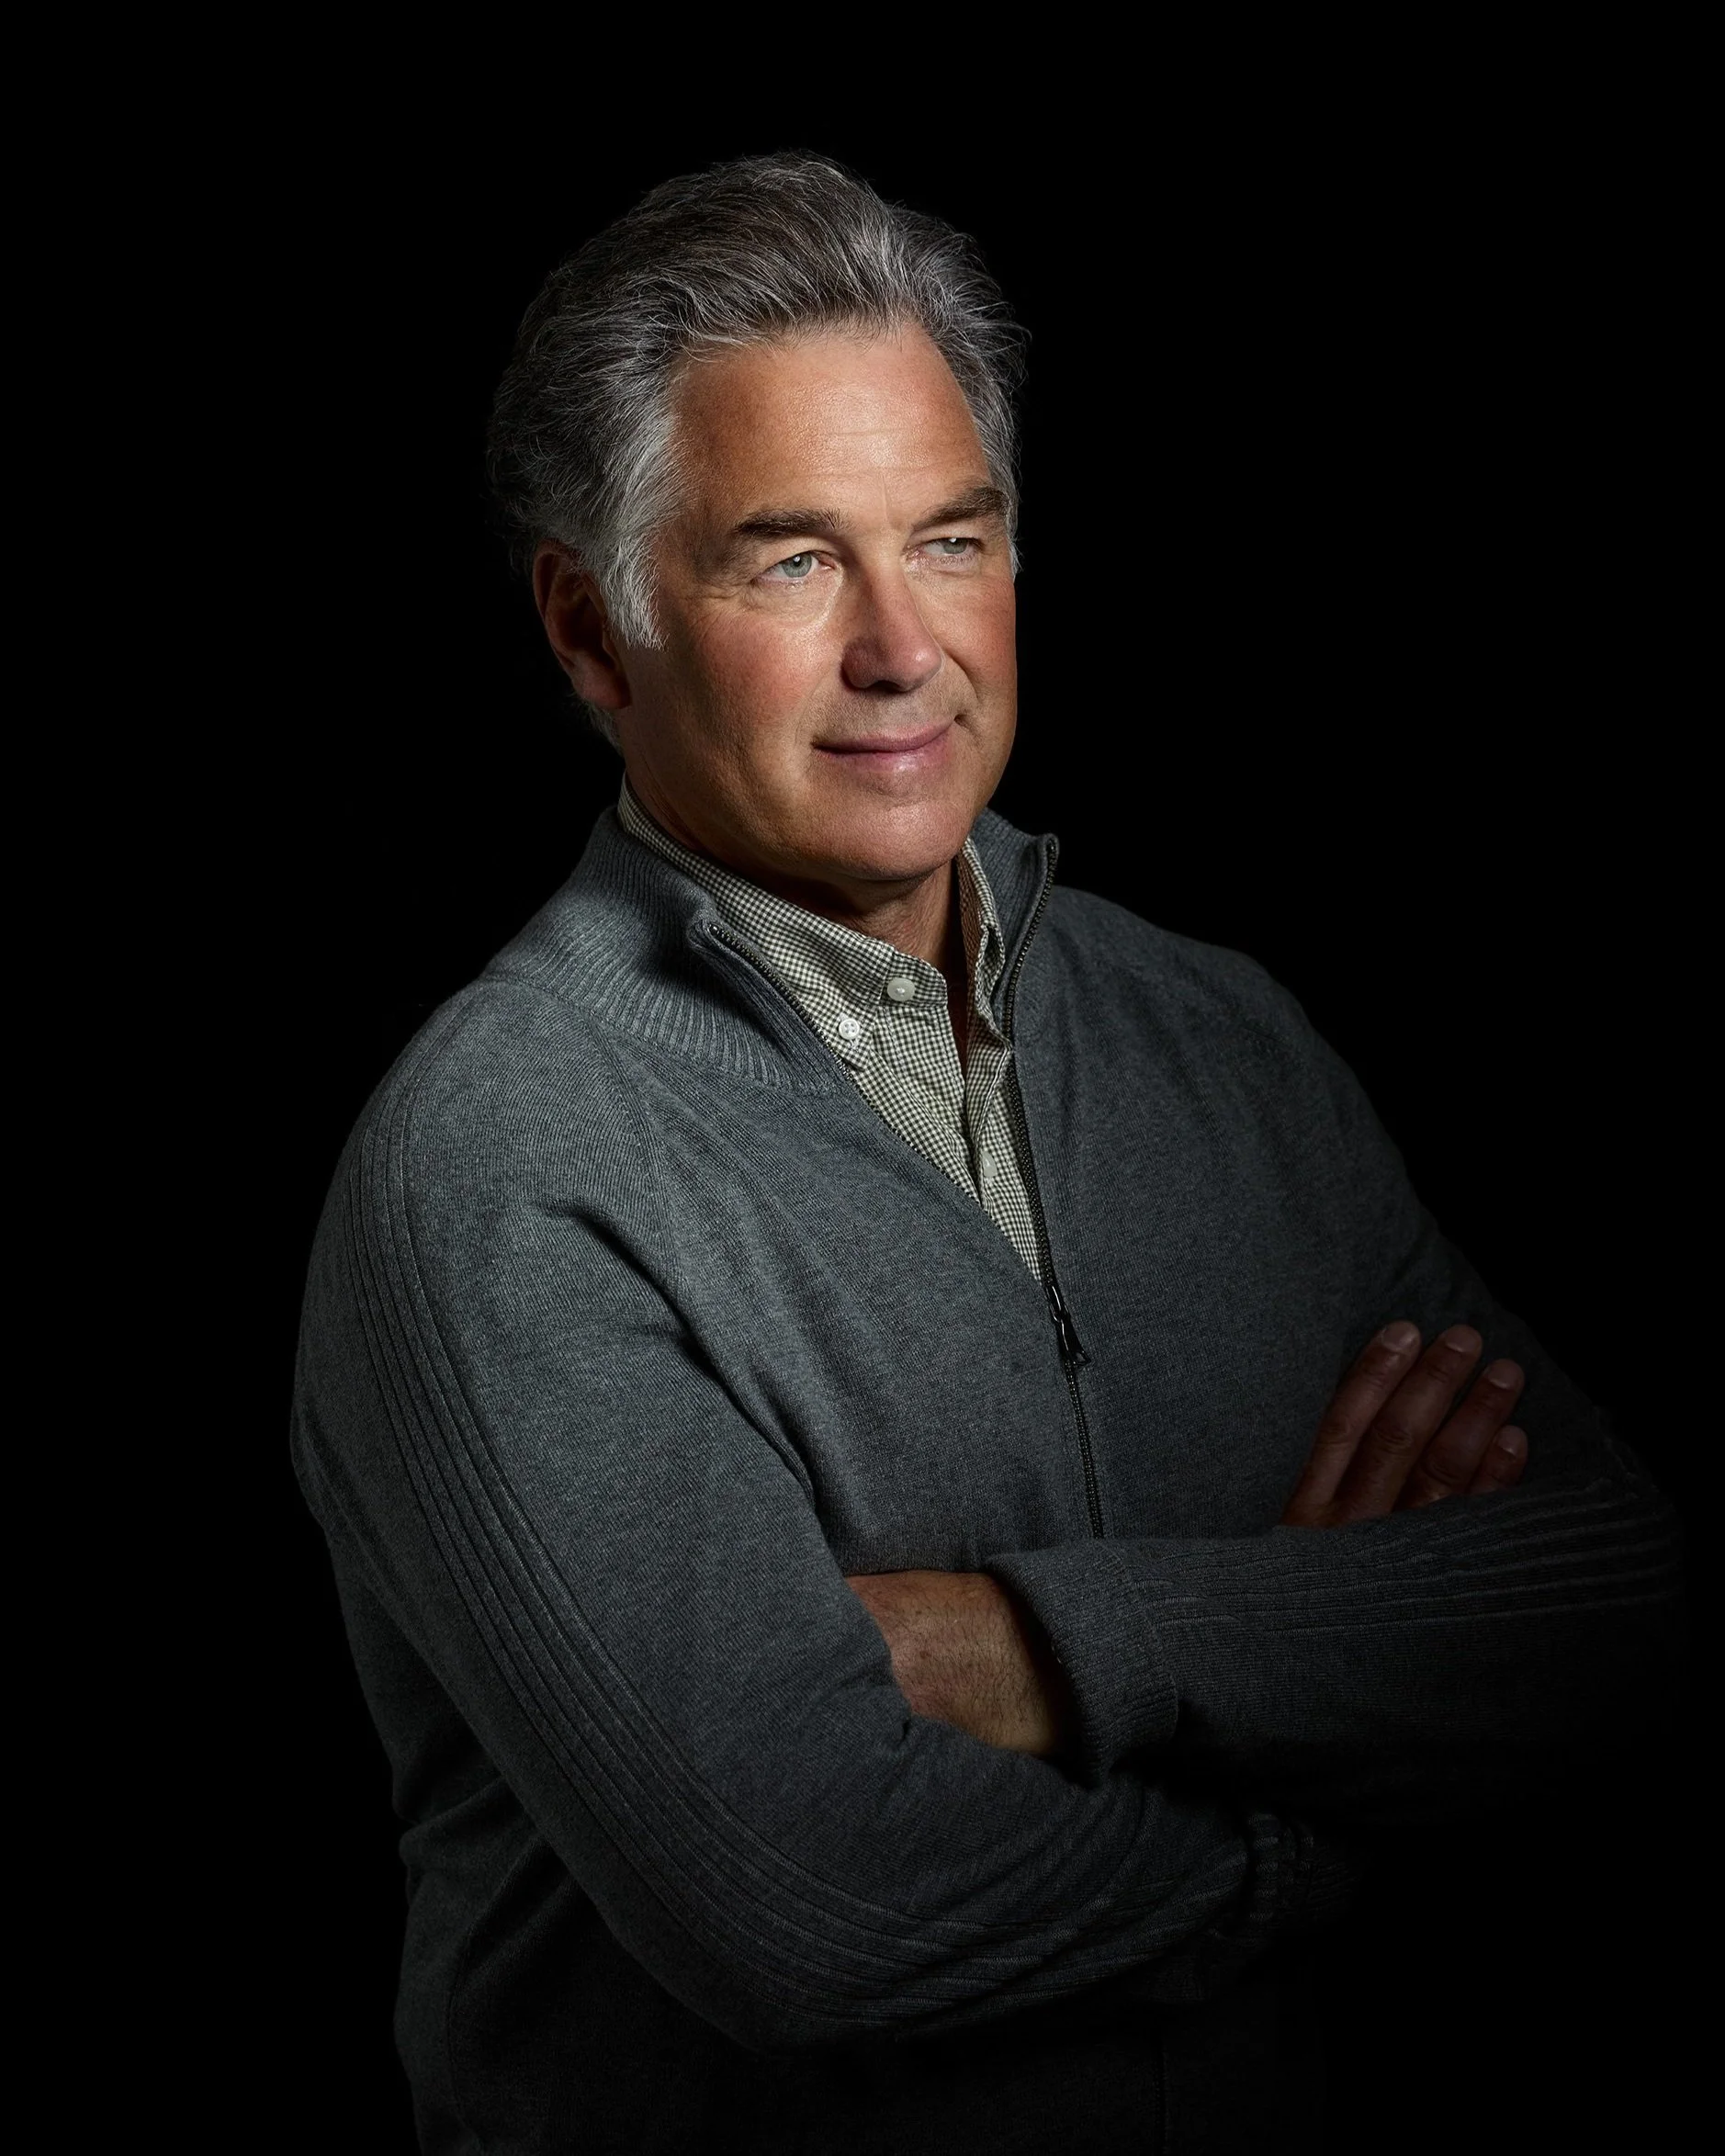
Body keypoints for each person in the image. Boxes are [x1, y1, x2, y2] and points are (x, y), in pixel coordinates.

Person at [290, 152, 1682, 2154]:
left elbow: (1620, 1607)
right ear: (594, 632)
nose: (901, 648)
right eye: (789, 561)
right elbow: (806, 1902)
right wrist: (1342, 1781)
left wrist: (1044, 1646)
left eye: (951, 538)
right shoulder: (501, 1164)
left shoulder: (1221, 1039)